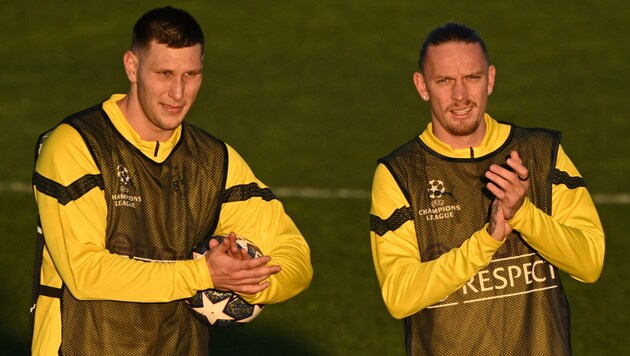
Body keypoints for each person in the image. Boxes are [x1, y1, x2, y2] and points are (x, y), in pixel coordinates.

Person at [30, 6, 312, 355]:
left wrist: (248, 279)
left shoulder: (213, 161)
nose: (178, 93)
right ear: (132, 67)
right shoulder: (76, 146)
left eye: (191, 74)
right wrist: (204, 275)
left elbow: (295, 255)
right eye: (164, 73)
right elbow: (84, 272)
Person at [369, 22, 605, 355]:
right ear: (422, 86)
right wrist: (488, 241)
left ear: (490, 79)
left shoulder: (541, 153)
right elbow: (399, 297)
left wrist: (523, 213)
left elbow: (590, 263)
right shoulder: (400, 173)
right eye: (445, 81)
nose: (460, 95)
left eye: (472, 78)